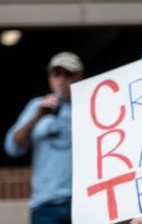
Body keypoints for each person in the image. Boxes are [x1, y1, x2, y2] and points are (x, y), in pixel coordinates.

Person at [5, 52, 84, 224]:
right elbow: (13, 147)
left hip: (83, 201)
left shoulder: (89, 106)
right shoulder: (37, 106)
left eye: (68, 75)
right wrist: (37, 116)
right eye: (57, 75)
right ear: (49, 78)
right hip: (45, 203)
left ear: (79, 77)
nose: (61, 81)